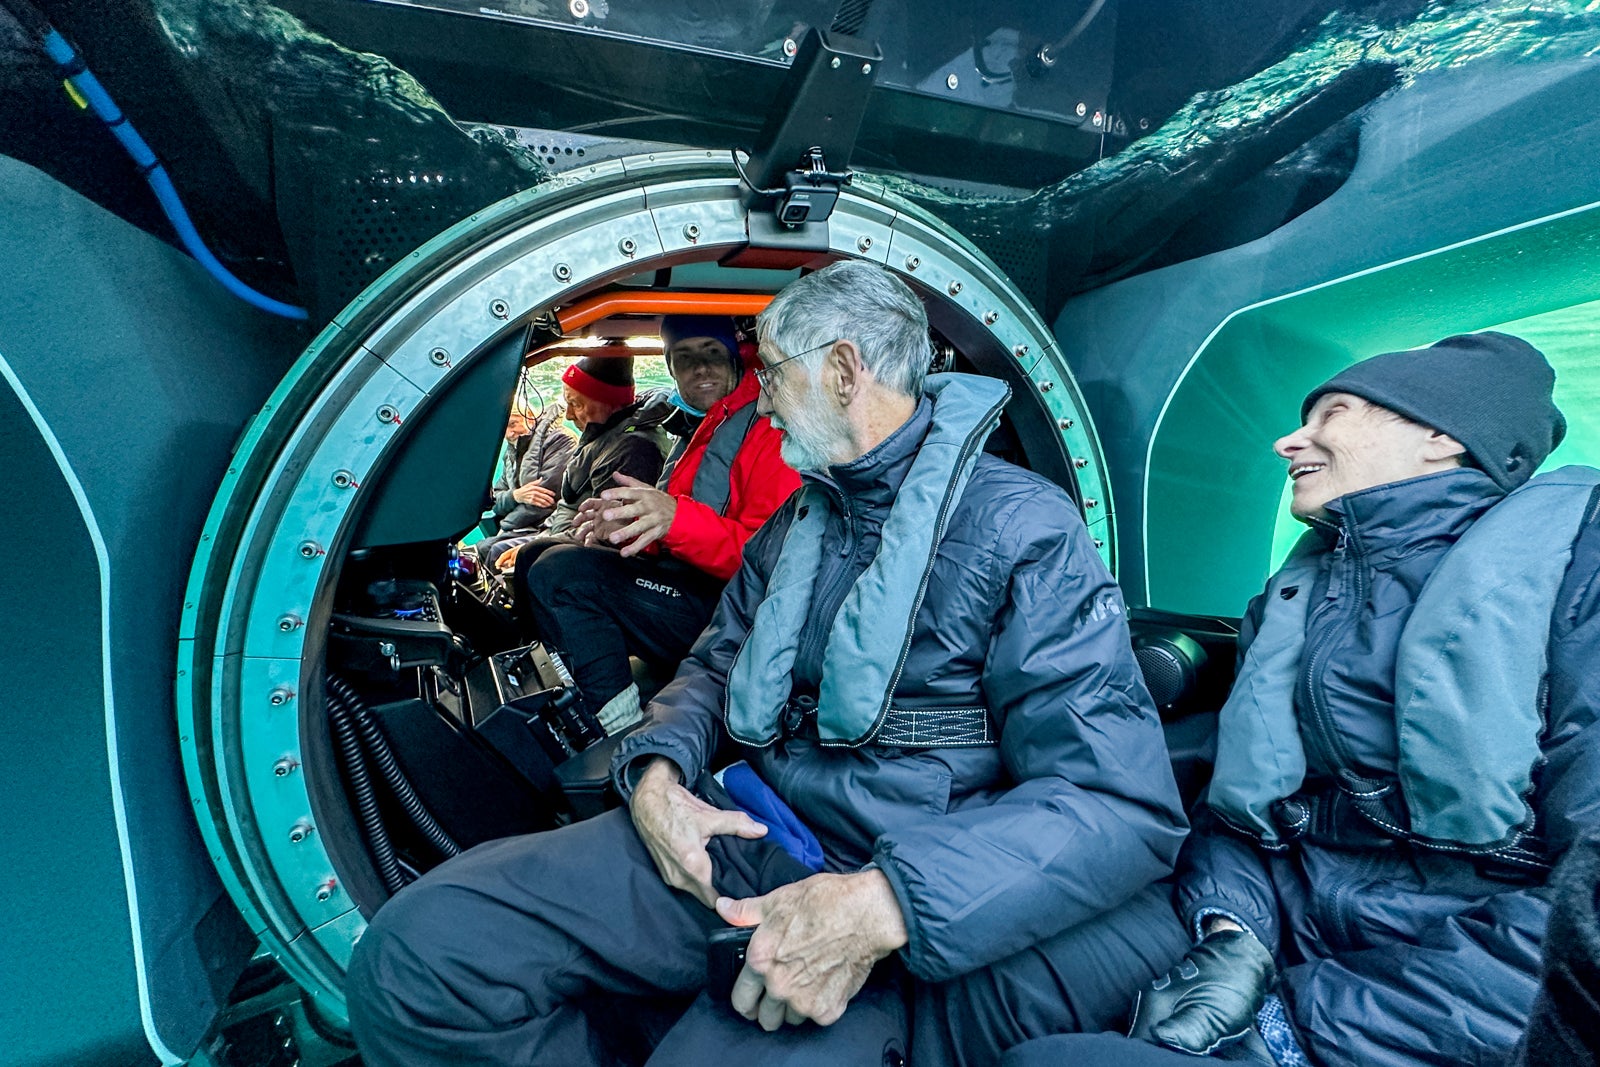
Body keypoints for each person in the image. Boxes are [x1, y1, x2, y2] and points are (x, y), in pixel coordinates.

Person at [345, 261, 1189, 1066]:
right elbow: (715, 664)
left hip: (878, 878)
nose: (762, 397)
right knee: (418, 958)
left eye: (774, 373)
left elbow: (1117, 802)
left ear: (844, 370)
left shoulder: (1023, 530)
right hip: (738, 829)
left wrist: (883, 904)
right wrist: (656, 772)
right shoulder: (800, 519)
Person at [1003, 333, 1600, 1067]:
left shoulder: (1578, 584)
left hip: (1449, 989)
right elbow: (1239, 811)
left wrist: (1292, 1027)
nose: (1289, 441)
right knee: (1005, 984)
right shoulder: (1302, 594)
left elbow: (1579, 933)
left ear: (1442, 437)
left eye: (1332, 415)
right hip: (1280, 923)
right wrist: (1231, 936)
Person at [519, 315, 800, 734]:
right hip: (689, 582)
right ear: (671, 369)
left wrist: (673, 520)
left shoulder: (769, 430)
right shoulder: (706, 425)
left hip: (737, 611)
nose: (699, 368)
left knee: (561, 574)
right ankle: (560, 690)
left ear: (736, 357)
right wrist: (627, 524)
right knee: (534, 554)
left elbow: (770, 561)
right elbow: (677, 521)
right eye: (684, 357)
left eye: (712, 352)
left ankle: (621, 733)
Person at [492, 354, 670, 570]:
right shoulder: (602, 438)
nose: (568, 415)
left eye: (575, 404)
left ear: (610, 403)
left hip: (586, 555)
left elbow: (604, 533)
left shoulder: (632, 451)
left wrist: (538, 546)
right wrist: (542, 539)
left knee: (505, 556)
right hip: (562, 536)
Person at [473, 400, 576, 568]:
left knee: (493, 550)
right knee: (482, 549)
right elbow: (495, 499)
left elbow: (542, 500)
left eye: (513, 424)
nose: (509, 434)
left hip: (547, 525)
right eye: (503, 429)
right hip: (523, 526)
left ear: (529, 415)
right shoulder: (511, 453)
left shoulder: (561, 441)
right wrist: (516, 496)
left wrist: (506, 527)